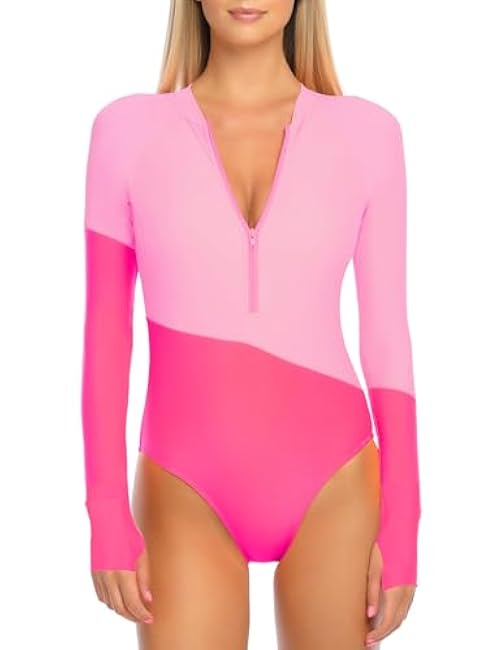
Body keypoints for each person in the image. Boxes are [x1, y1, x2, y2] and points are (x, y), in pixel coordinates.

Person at [81, 0, 421, 647]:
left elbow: (387, 339)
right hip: (182, 485)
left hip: (335, 480)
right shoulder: (125, 132)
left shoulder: (369, 135)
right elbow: (105, 337)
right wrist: (105, 512)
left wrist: (403, 522)